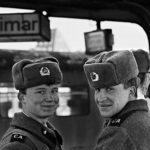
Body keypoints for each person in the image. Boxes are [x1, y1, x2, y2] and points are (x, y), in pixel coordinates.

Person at [84, 50, 150, 150]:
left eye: (110, 89)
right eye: (97, 90)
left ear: (131, 91)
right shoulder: (143, 119)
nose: (101, 98)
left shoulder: (119, 133)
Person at [0, 57, 63, 150]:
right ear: (22, 97)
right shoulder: (17, 146)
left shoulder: (46, 133)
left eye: (54, 91)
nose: (50, 98)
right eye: (41, 92)